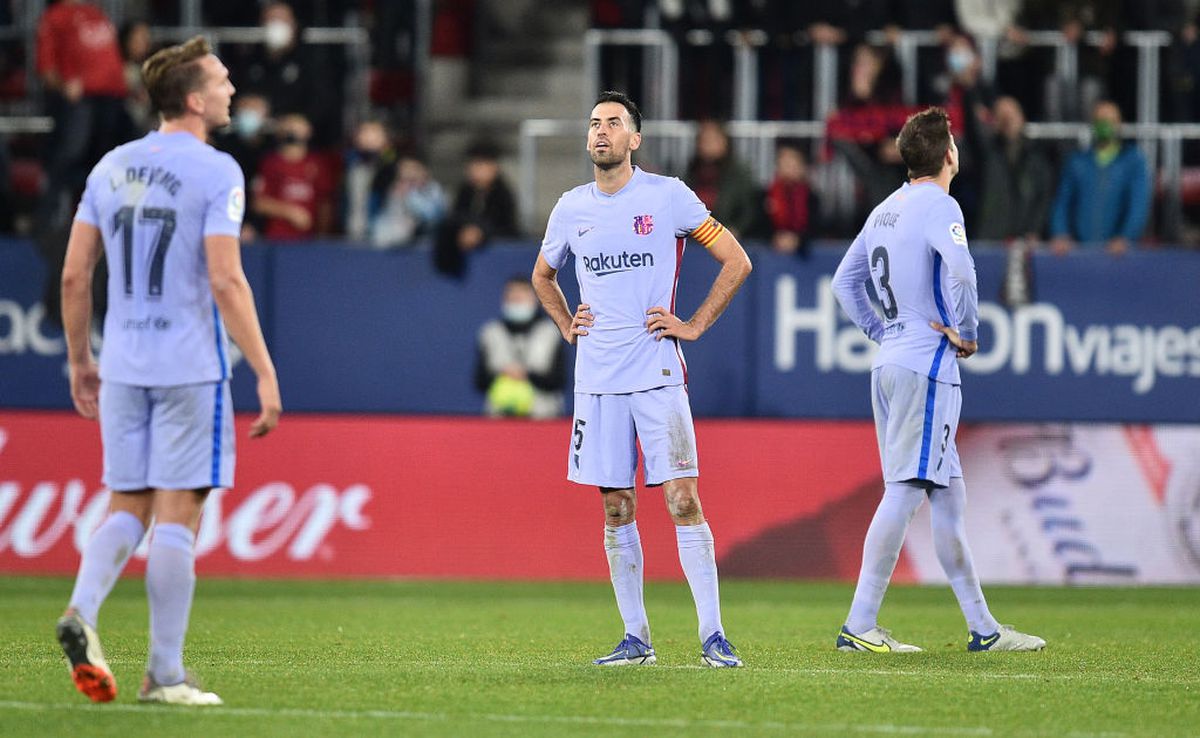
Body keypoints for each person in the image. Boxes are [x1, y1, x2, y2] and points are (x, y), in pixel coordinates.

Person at [55, 36, 281, 705]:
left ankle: (81, 610)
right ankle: (166, 674)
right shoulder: (217, 171)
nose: (232, 88)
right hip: (189, 366)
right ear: (192, 98)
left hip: (124, 364)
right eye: (220, 80)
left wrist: (79, 361)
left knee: (128, 504)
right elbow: (225, 278)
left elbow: (74, 276)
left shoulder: (109, 169)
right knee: (180, 512)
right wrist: (265, 371)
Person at [532, 91, 753, 668]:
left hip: (657, 373)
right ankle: (637, 639)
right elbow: (542, 275)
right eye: (594, 124)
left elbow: (737, 260)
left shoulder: (667, 196)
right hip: (597, 381)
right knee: (615, 508)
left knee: (683, 500)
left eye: (614, 124)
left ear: (635, 140)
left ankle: (713, 635)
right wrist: (565, 322)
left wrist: (695, 324)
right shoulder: (570, 208)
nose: (601, 132)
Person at [829, 107, 1044, 654]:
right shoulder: (940, 204)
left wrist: (883, 329)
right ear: (949, 153)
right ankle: (859, 624)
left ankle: (985, 628)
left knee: (948, 497)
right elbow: (964, 271)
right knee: (905, 490)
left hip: (892, 362)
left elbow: (843, 282)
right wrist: (967, 332)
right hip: (927, 365)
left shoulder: (885, 209)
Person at [1048, 100, 1152, 255]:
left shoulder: (1134, 161)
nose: (1105, 125)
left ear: (1119, 124)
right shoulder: (1076, 162)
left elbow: (1138, 205)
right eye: (1100, 121)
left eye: (1110, 121)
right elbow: (1062, 202)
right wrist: (1060, 234)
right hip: (1079, 252)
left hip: (1119, 254)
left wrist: (1126, 237)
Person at [474, 276, 565, 419]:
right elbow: (480, 381)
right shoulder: (490, 333)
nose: (516, 301)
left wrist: (527, 374)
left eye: (521, 296)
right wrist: (503, 373)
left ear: (535, 299)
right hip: (499, 418)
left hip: (543, 418)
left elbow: (558, 380)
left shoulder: (551, 333)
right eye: (512, 297)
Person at [434, 141, 519, 277]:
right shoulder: (465, 191)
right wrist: (464, 231)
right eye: (473, 165)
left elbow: (508, 227)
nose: (475, 170)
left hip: (496, 264)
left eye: (481, 165)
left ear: (493, 167)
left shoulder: (503, 194)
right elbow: (455, 217)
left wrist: (481, 233)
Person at [252, 113, 335, 240]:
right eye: (289, 127)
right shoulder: (271, 163)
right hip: (277, 238)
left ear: (308, 132)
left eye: (298, 128)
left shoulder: (317, 164)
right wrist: (290, 212)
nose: (293, 132)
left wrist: (323, 234)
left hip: (310, 239)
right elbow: (259, 203)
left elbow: (325, 202)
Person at [684, 120, 763, 240]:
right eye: (704, 140)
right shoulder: (690, 172)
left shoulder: (739, 173)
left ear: (725, 142)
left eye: (713, 140)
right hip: (694, 239)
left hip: (730, 238)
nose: (708, 145)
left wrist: (736, 229)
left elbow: (749, 210)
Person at [371, 154, 447, 248]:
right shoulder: (393, 190)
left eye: (413, 168)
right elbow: (383, 219)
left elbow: (433, 215)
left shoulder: (434, 189)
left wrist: (410, 197)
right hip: (394, 241)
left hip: (426, 242)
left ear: (424, 170)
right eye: (404, 168)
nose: (409, 173)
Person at [765, 141, 821, 256]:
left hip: (804, 254)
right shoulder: (766, 195)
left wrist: (797, 240)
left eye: (794, 163)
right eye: (785, 163)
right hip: (770, 254)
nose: (789, 168)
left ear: (802, 167)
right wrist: (774, 237)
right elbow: (759, 226)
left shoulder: (811, 197)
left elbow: (816, 227)